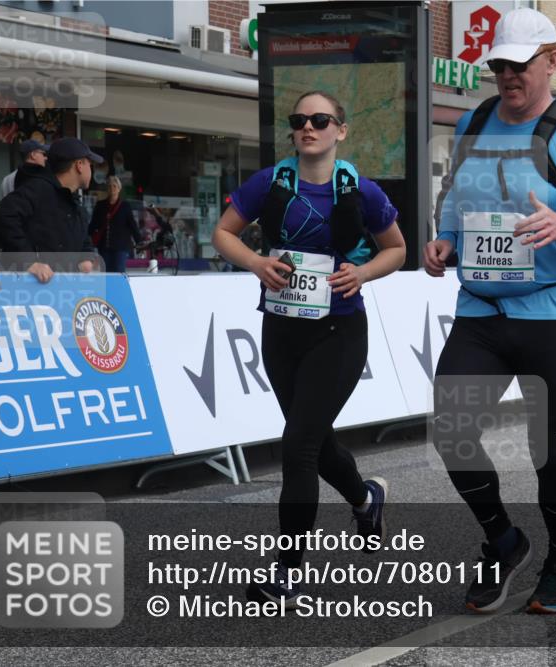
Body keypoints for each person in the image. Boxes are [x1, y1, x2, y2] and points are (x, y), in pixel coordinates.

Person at [422, 8, 556, 615]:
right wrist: (446, 240)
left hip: (549, 315)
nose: (507, 76)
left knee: (550, 457)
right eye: (498, 65)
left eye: (519, 65)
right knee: (453, 433)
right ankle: (504, 540)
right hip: (482, 310)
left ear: (550, 60)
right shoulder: (475, 120)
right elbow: (456, 197)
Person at [212, 90, 406, 606]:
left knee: (297, 445)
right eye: (299, 120)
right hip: (281, 330)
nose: (308, 127)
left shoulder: (358, 189)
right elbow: (223, 234)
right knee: (313, 442)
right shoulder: (269, 182)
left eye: (320, 120)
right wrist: (255, 262)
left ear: (340, 130)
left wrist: (361, 273)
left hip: (339, 332)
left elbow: (398, 248)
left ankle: (288, 572)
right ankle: (366, 497)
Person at [0, 137, 100, 283]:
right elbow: (2, 214)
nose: (90, 170)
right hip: (31, 292)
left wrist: (86, 257)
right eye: (89, 164)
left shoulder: (74, 203)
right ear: (79, 165)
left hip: (62, 293)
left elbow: (82, 239)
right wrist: (29, 262)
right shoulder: (38, 190)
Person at [89, 176, 139, 273]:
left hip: (120, 247)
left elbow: (132, 225)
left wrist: (139, 240)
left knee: (118, 273)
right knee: (105, 273)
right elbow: (93, 224)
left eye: (114, 186)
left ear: (119, 189)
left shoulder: (125, 206)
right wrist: (86, 239)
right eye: (109, 186)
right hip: (104, 246)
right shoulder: (100, 205)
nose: (112, 188)